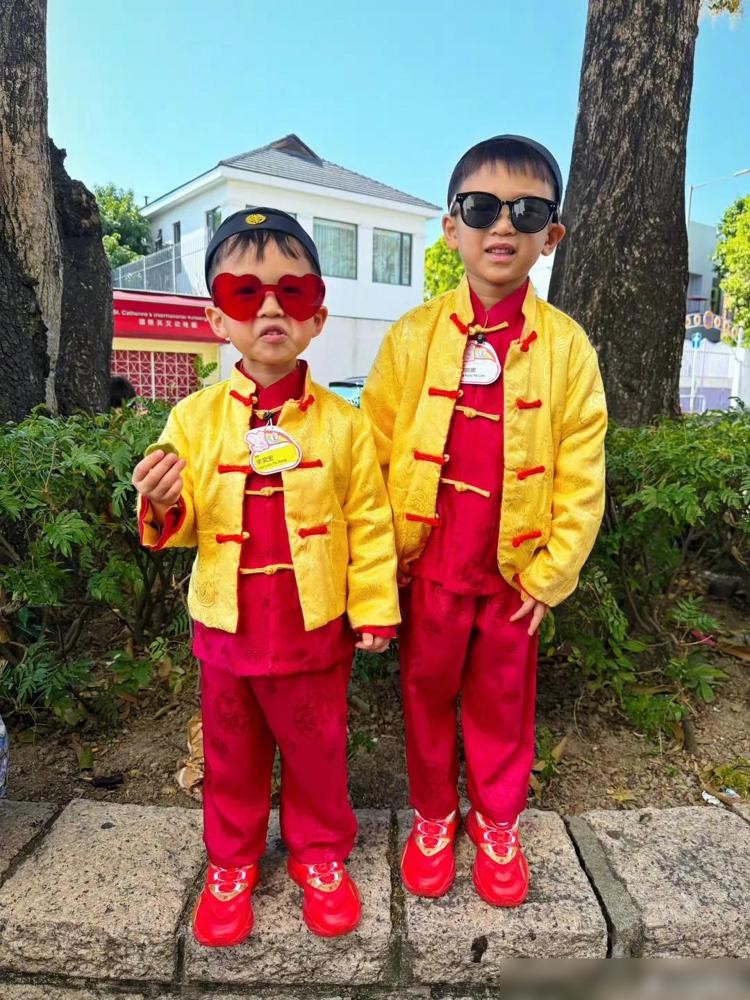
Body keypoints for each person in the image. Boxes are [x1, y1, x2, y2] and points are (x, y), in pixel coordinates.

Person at [131, 208, 399, 945]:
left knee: (318, 748)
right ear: (218, 319)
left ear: (318, 317)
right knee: (232, 754)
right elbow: (180, 520)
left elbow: (369, 519)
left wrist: (374, 605)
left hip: (315, 626)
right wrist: (162, 502)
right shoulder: (192, 419)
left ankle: (320, 854)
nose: (271, 308)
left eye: (293, 292)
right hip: (229, 629)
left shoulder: (345, 425)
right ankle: (231, 861)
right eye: (246, 294)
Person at [361, 135, 607, 908]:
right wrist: (376, 570)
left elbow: (582, 470)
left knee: (504, 702)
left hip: (514, 575)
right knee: (425, 694)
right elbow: (370, 455)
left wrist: (551, 573)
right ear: (451, 228)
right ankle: (435, 815)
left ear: (551, 235)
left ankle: (497, 821)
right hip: (427, 569)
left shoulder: (567, 348)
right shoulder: (411, 337)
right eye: (481, 208)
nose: (503, 225)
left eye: (526, 211)